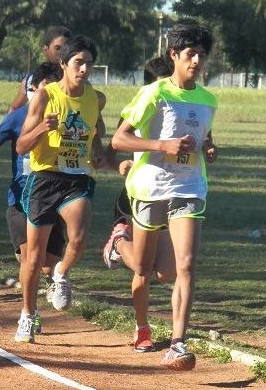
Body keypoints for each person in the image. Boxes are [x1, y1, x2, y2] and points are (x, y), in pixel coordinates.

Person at [111, 24, 218, 371]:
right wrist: (161, 145)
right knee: (144, 270)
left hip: (189, 187)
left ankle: (177, 342)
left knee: (182, 267)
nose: (197, 61)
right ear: (174, 54)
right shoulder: (154, 94)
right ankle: (141, 321)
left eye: (201, 54)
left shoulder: (208, 99)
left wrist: (210, 148)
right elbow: (119, 139)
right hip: (150, 187)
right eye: (190, 54)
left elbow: (205, 136)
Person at [13, 36, 108, 343]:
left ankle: (61, 274)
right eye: (78, 62)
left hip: (77, 178)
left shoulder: (96, 98)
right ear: (63, 64)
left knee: (79, 237)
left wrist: (99, 151)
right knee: (34, 257)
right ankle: (28, 315)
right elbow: (20, 147)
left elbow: (95, 133)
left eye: (89, 63)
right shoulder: (44, 96)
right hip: (45, 179)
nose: (84, 69)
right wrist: (43, 128)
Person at [0, 61, 66, 334]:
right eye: (45, 87)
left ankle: (47, 289)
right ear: (34, 89)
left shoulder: (65, 115)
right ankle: (29, 314)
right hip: (21, 198)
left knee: (47, 266)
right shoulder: (18, 117)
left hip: (52, 196)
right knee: (29, 260)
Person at [102, 55, 176, 354]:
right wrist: (119, 165)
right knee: (143, 270)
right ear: (148, 87)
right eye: (160, 84)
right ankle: (142, 328)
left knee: (166, 273)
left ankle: (119, 244)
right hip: (139, 195)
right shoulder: (138, 109)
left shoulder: (181, 108)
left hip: (175, 193)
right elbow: (111, 152)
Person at [8, 26, 72, 112]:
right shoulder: (29, 81)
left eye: (66, 49)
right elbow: (14, 108)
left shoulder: (77, 82)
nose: (62, 53)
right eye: (57, 48)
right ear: (46, 49)